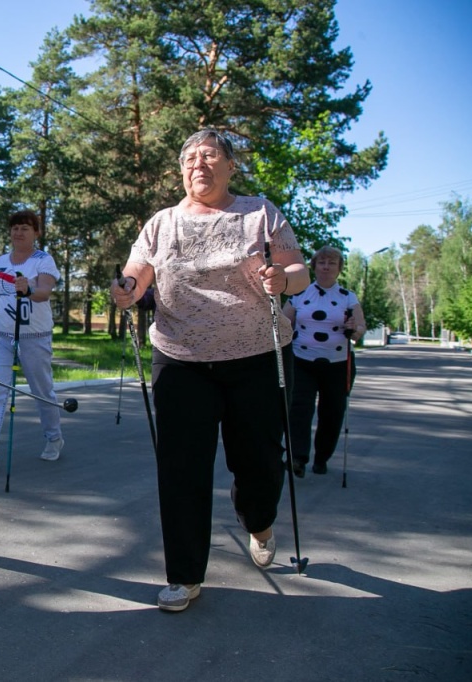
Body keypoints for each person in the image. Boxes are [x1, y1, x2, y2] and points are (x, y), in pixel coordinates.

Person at [110, 129, 310, 613]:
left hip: (256, 358)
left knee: (259, 464)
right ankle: (184, 575)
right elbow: (137, 271)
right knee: (181, 471)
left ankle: (259, 523)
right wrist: (127, 288)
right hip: (181, 360)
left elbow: (299, 272)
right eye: (190, 158)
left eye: (210, 155)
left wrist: (282, 278)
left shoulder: (261, 213)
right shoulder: (162, 223)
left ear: (229, 165)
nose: (199, 164)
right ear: (181, 170)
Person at [0, 210, 64, 473]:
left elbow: (44, 292)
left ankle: (54, 437)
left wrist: (28, 289)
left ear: (36, 233)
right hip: (2, 336)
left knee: (42, 392)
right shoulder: (0, 262)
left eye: (25, 228)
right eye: (15, 228)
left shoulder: (43, 260)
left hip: (34, 337)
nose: (18, 232)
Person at [283, 246, 366, 477]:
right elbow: (282, 323)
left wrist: (354, 329)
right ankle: (298, 458)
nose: (326, 267)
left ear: (339, 268)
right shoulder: (299, 294)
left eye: (332, 263)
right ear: (314, 266)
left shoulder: (348, 297)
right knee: (299, 409)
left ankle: (322, 458)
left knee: (332, 413)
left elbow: (360, 328)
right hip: (302, 361)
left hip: (338, 364)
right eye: (322, 263)